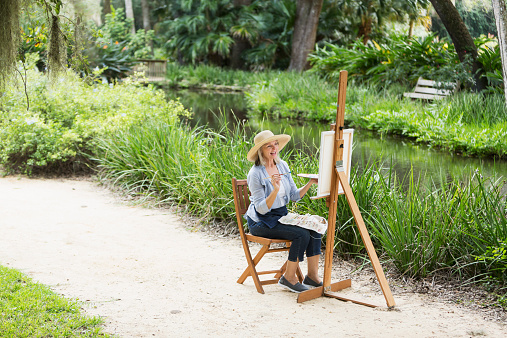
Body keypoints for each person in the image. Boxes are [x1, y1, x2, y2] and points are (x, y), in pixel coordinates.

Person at [245, 130, 322, 293]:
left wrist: (310, 183)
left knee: (316, 227)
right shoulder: (255, 173)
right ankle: (288, 278)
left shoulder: (282, 165)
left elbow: (294, 196)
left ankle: (312, 277)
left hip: (281, 216)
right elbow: (261, 208)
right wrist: (275, 190)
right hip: (261, 221)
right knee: (301, 234)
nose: (274, 148)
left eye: (276, 144)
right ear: (260, 150)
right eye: (269, 146)